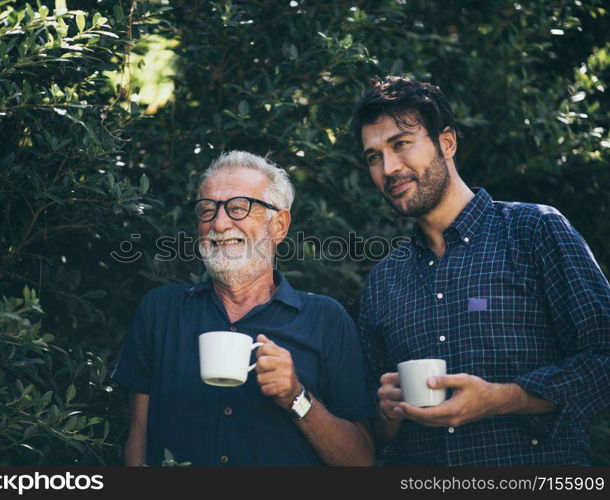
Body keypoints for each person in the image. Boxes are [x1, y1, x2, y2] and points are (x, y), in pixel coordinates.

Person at [352, 75, 610, 465]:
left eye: (401, 144)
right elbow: (372, 435)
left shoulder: (535, 230)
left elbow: (604, 357)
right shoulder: (383, 281)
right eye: (374, 157)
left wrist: (506, 398)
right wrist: (386, 414)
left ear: (447, 142)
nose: (388, 168)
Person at [111, 151, 375, 466]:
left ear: (279, 224)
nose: (219, 223)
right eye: (207, 210)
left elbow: (361, 462)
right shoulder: (160, 311)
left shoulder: (325, 320)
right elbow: (137, 441)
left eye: (238, 208)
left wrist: (296, 398)